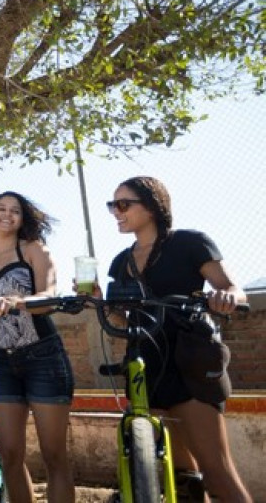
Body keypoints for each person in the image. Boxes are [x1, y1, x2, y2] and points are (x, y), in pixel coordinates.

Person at [99, 176, 251, 502]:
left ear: (151, 207)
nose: (116, 212)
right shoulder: (121, 262)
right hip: (146, 365)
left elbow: (232, 289)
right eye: (112, 205)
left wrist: (224, 298)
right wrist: (101, 302)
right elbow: (121, 320)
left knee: (217, 473)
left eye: (123, 204)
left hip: (189, 362)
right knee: (183, 478)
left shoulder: (190, 243)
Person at [0, 191, 74, 503]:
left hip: (43, 357)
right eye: (0, 209)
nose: (8, 214)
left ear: (23, 218)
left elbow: (49, 298)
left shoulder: (33, 249)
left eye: (15, 210)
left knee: (54, 455)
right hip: (2, 363)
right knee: (8, 455)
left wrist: (17, 301)